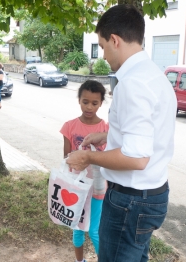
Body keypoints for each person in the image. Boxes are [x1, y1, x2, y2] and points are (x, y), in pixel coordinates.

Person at [66, 4, 177, 262]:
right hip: (153, 193)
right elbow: (149, 131)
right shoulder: (155, 76)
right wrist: (107, 136)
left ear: (115, 40)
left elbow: (136, 158)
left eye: (103, 46)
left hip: (130, 202)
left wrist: (88, 158)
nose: (103, 54)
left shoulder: (132, 84)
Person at [61, 80, 109, 262]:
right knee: (78, 227)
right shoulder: (69, 127)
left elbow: (110, 157)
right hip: (76, 186)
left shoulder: (105, 128)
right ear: (79, 100)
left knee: (95, 229)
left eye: (94, 103)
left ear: (101, 103)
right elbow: (66, 157)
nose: (89, 107)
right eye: (85, 101)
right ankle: (79, 260)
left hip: (97, 186)